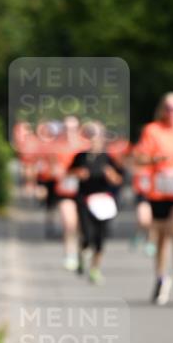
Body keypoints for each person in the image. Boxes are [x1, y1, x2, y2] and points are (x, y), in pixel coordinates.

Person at [134, 92, 173, 304]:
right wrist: (155, 159)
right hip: (159, 190)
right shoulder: (152, 130)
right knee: (161, 237)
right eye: (169, 108)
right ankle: (161, 278)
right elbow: (140, 158)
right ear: (162, 109)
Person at [67, 122, 124, 284]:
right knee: (87, 234)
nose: (94, 140)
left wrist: (111, 175)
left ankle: (95, 269)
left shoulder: (109, 158)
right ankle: (82, 252)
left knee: (100, 237)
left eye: (97, 136)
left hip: (103, 200)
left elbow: (119, 180)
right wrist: (78, 173)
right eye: (90, 136)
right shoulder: (81, 156)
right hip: (84, 199)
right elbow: (68, 173)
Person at [55, 115, 89, 271]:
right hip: (65, 192)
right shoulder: (57, 147)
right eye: (66, 128)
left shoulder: (85, 147)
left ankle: (82, 253)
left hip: (84, 193)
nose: (69, 132)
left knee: (82, 226)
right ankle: (69, 254)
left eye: (73, 128)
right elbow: (55, 170)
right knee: (69, 223)